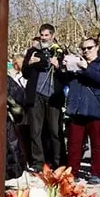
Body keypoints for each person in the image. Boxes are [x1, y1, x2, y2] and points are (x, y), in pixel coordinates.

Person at [62, 37, 100, 185]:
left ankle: (96, 173)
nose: (86, 51)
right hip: (78, 109)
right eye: (83, 48)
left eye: (89, 48)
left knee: (98, 144)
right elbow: (65, 81)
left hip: (97, 109)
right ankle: (72, 172)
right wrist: (63, 67)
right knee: (74, 144)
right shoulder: (77, 63)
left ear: (97, 47)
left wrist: (87, 68)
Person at [21, 24, 65, 171]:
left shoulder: (60, 52)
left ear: (52, 35)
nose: (44, 38)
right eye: (42, 35)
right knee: (35, 131)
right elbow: (25, 73)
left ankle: (58, 162)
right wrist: (30, 63)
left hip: (53, 96)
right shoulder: (32, 51)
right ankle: (38, 162)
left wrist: (58, 66)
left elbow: (66, 75)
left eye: (47, 35)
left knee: (54, 130)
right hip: (36, 95)